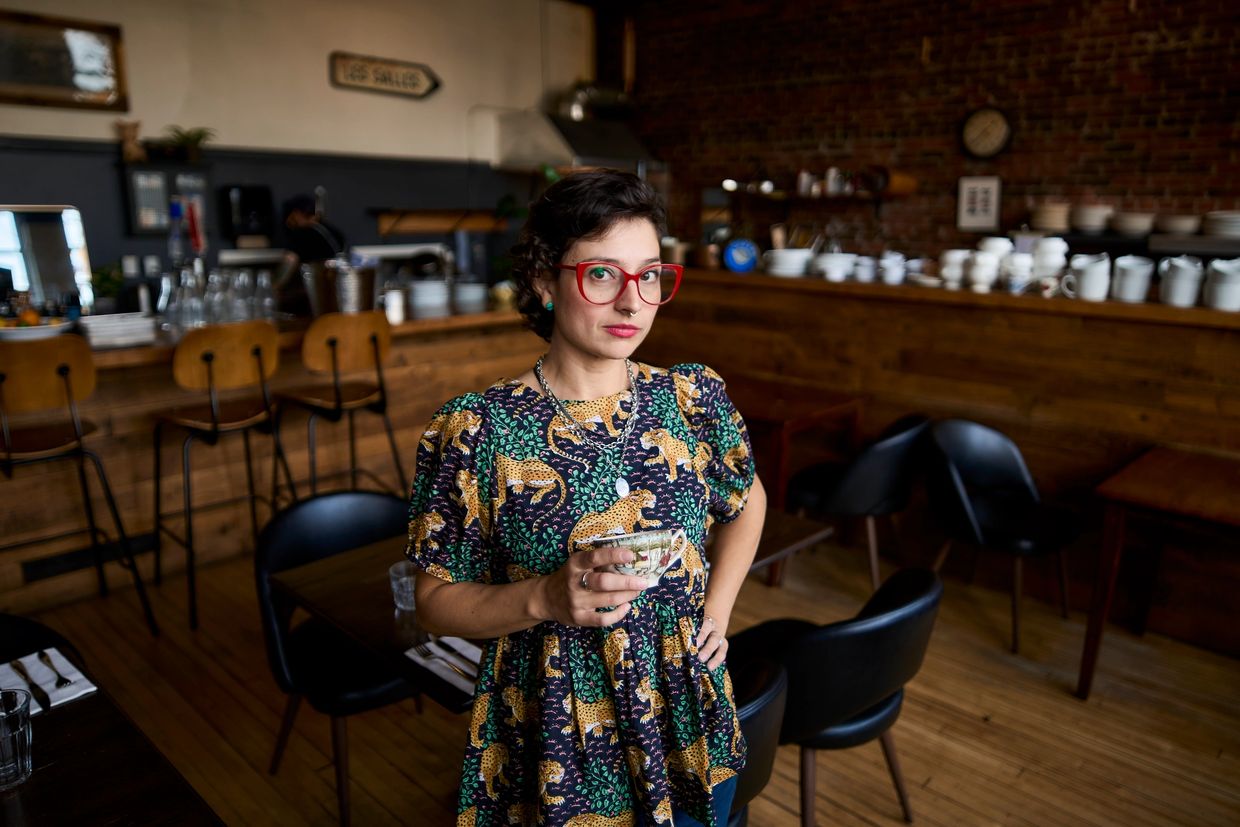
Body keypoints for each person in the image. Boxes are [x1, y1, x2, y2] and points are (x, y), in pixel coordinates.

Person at [406, 170, 766, 826]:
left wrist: (718, 608)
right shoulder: (478, 429)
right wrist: (543, 597)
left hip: (687, 720)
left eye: (650, 274)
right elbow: (432, 604)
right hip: (554, 736)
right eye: (602, 274)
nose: (633, 303)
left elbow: (746, 501)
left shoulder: (691, 398)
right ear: (545, 279)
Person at [276, 194, 346, 315]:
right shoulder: (334, 232)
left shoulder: (301, 234)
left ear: (296, 214)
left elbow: (289, 262)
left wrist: (274, 288)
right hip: (338, 297)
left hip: (311, 300)